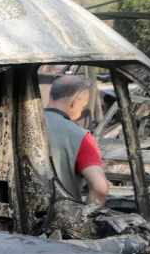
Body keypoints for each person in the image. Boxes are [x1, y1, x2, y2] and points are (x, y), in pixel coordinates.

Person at [44, 75, 109, 205]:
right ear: (75, 102)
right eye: (83, 107)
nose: (80, 114)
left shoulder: (15, 125)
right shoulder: (79, 135)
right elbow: (100, 188)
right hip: (57, 219)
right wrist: (84, 221)